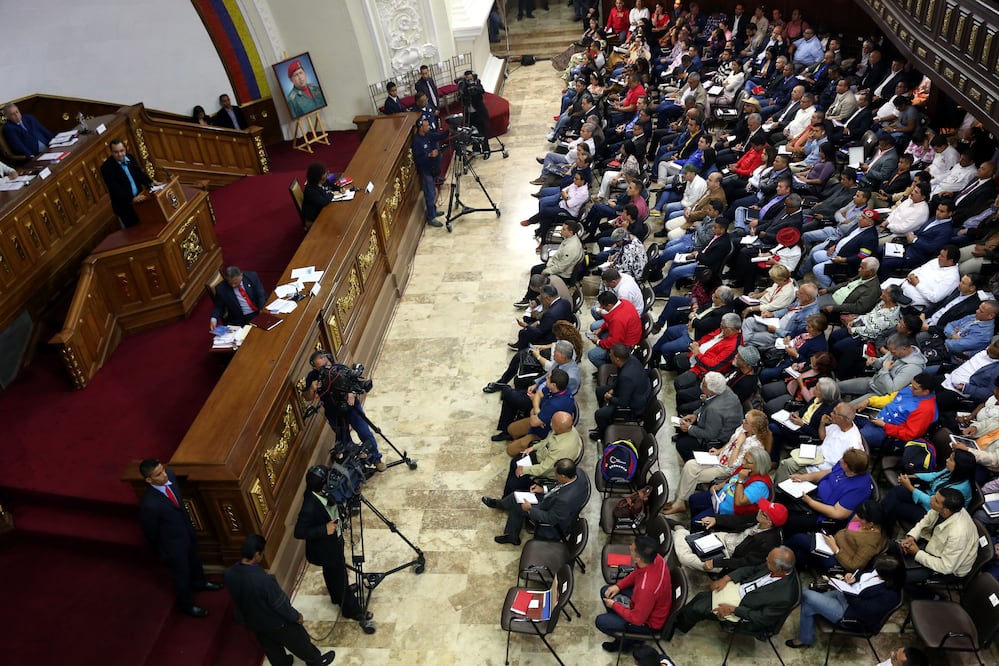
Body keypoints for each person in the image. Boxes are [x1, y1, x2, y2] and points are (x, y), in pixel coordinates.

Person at [225, 534, 336, 666]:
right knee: (299, 640)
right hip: (277, 623)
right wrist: (296, 616)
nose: (262, 556)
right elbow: (279, 603)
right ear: (256, 554)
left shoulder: (229, 573)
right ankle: (316, 661)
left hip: (255, 623)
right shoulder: (262, 579)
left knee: (272, 649)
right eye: (262, 553)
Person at [138, 458, 223, 618]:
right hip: (173, 545)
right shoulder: (150, 504)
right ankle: (187, 605)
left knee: (195, 560)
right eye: (158, 475)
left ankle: (200, 583)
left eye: (163, 470)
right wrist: (164, 551)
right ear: (149, 480)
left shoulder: (170, 475)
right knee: (181, 575)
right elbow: (151, 532)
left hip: (187, 532)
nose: (164, 475)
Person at [293, 466, 371, 623]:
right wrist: (324, 529)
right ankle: (352, 610)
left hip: (335, 540)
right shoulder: (309, 506)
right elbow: (299, 532)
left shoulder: (323, 494)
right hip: (326, 549)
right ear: (321, 485)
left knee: (331, 574)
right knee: (340, 577)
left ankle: (336, 597)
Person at [672, 546, 799, 637]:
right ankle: (676, 619)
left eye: (769, 560)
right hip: (740, 589)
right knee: (701, 597)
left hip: (745, 609)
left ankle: (674, 627)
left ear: (778, 568)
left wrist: (734, 610)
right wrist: (726, 578)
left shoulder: (785, 596)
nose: (766, 559)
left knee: (698, 608)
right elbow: (751, 570)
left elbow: (761, 618)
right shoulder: (773, 564)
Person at [785, 554, 904, 650]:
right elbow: (862, 574)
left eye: (878, 571)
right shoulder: (880, 571)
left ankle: (803, 636)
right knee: (809, 603)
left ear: (887, 576)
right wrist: (851, 577)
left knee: (807, 595)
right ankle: (804, 638)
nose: (875, 572)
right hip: (846, 594)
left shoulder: (890, 595)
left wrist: (847, 591)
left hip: (851, 614)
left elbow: (863, 609)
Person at [664, 410, 771, 515]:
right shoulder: (743, 429)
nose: (743, 421)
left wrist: (739, 444)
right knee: (690, 465)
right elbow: (731, 442)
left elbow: (732, 465)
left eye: (746, 421)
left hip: (727, 470)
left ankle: (680, 502)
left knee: (693, 474)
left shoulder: (755, 446)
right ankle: (679, 500)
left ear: (754, 428)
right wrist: (719, 451)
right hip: (719, 458)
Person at [302, 350, 385, 471]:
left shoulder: (340, 368)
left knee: (364, 432)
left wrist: (351, 392)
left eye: (326, 364)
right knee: (344, 441)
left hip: (351, 408)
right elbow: (307, 397)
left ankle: (376, 460)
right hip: (333, 413)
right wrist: (311, 388)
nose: (324, 368)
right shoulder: (313, 377)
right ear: (315, 368)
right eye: (320, 367)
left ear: (329, 360)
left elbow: (356, 384)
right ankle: (355, 466)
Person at [481, 458, 589, 546]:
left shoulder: (565, 500)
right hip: (550, 498)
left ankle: (512, 536)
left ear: (563, 476)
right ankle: (500, 504)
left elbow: (551, 518)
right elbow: (559, 485)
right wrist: (543, 489)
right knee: (516, 496)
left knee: (517, 505)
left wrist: (530, 509)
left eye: (556, 474)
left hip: (550, 509)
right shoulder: (577, 473)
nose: (554, 476)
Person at [596, 535, 673, 653]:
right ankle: (620, 621)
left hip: (648, 623)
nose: (630, 547)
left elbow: (637, 619)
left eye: (632, 548)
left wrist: (615, 606)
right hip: (648, 605)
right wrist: (618, 586)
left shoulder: (646, 589)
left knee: (601, 621)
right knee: (606, 591)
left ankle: (625, 643)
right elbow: (637, 573)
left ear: (638, 558)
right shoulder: (656, 558)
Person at [898, 487, 978, 597]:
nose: (931, 499)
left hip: (949, 570)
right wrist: (912, 536)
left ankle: (928, 597)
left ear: (945, 510)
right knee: (896, 547)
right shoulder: (945, 509)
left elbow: (946, 567)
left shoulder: (959, 534)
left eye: (935, 500)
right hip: (934, 545)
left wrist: (917, 553)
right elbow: (926, 520)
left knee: (902, 578)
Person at [672, 498, 786, 574]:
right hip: (724, 538)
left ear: (769, 522)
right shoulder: (758, 518)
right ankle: (680, 533)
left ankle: (679, 530)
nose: (760, 510)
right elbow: (737, 520)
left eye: (763, 512)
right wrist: (716, 519)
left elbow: (745, 562)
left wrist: (716, 563)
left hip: (727, 557)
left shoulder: (769, 543)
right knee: (690, 542)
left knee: (684, 557)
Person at [781, 448, 873, 535]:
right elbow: (827, 472)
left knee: (789, 519)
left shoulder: (859, 488)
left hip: (823, 514)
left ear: (851, 469)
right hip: (813, 495)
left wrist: (810, 502)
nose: (840, 460)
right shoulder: (844, 465)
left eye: (844, 462)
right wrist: (804, 477)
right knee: (782, 498)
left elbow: (837, 513)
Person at [881, 450, 976, 532]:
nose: (947, 460)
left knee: (896, 507)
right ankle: (879, 522)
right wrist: (913, 476)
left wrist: (910, 487)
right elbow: (934, 475)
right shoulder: (952, 471)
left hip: (935, 513)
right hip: (929, 495)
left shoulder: (960, 489)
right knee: (897, 491)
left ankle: (882, 529)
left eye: (951, 460)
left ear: (959, 466)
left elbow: (934, 502)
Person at [687, 447, 773, 530]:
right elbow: (731, 479)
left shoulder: (760, 486)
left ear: (758, 465)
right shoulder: (745, 468)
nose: (743, 463)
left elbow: (739, 502)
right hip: (719, 498)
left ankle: (697, 531)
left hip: (729, 512)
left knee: (697, 522)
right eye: (744, 459)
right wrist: (718, 486)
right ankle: (695, 521)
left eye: (747, 461)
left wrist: (740, 480)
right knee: (694, 499)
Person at [503, 411, 582, 495]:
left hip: (544, 470)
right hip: (541, 455)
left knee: (514, 482)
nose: (550, 422)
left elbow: (544, 469)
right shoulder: (566, 429)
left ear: (558, 428)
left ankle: (506, 498)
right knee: (515, 462)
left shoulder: (561, 449)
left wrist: (524, 469)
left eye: (552, 421)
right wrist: (533, 447)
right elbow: (546, 442)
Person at [673, 371, 745, 462]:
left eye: (704, 384)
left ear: (711, 391)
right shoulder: (724, 389)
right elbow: (708, 403)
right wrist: (695, 414)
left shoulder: (714, 410)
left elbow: (710, 434)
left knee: (681, 444)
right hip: (716, 424)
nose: (701, 383)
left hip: (719, 440)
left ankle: (693, 463)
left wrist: (690, 428)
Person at [591, 344, 652, 441]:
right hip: (629, 389)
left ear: (617, 359)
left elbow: (623, 403)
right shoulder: (630, 359)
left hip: (632, 406)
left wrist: (610, 398)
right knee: (599, 391)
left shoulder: (626, 377)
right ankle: (605, 421)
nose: (609, 356)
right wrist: (613, 389)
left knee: (599, 414)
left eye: (611, 355)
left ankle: (602, 435)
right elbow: (619, 379)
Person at [100, 137, 154, 228]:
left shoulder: (130, 158)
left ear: (125, 149)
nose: (120, 154)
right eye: (116, 152)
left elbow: (139, 173)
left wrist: (150, 183)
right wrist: (131, 199)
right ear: (111, 152)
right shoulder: (107, 168)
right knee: (136, 232)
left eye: (122, 151)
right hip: (125, 206)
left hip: (140, 201)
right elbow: (115, 189)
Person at [411, 117, 447, 228]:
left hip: (431, 168)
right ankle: (431, 217)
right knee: (430, 193)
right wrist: (429, 155)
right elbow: (417, 159)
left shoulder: (428, 134)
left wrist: (449, 131)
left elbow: (438, 136)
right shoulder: (417, 142)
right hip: (425, 170)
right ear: (421, 128)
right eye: (427, 126)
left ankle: (434, 211)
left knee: (433, 192)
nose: (429, 127)